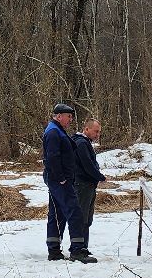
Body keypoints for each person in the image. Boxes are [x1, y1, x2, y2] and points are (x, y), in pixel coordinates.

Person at [41, 103, 81, 261]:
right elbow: (52, 157)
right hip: (58, 180)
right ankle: (78, 250)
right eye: (68, 116)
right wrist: (61, 178)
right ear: (59, 116)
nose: (70, 119)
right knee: (74, 211)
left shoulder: (56, 130)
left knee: (57, 214)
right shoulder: (53, 132)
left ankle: (54, 250)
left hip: (58, 179)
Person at [68, 119, 105, 264]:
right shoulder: (81, 143)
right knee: (82, 218)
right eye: (96, 131)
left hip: (87, 184)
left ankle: (83, 247)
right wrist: (99, 176)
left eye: (99, 131)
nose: (98, 134)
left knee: (87, 218)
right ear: (87, 129)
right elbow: (87, 165)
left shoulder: (84, 142)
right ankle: (77, 250)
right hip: (82, 185)